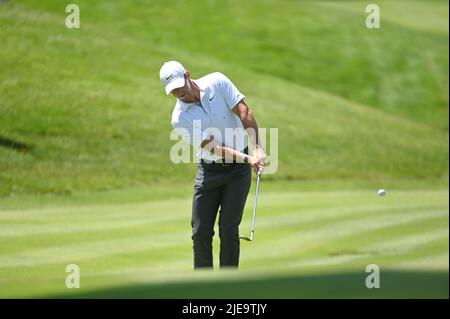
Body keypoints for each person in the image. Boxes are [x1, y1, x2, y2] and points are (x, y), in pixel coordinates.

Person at [159, 61, 266, 269]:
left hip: (237, 173)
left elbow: (244, 111)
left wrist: (257, 148)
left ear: (188, 75)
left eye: (180, 86)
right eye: (173, 91)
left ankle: (227, 286)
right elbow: (212, 147)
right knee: (200, 232)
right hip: (210, 171)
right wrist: (247, 159)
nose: (179, 92)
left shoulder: (217, 81)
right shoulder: (179, 118)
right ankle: (204, 288)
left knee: (228, 229)